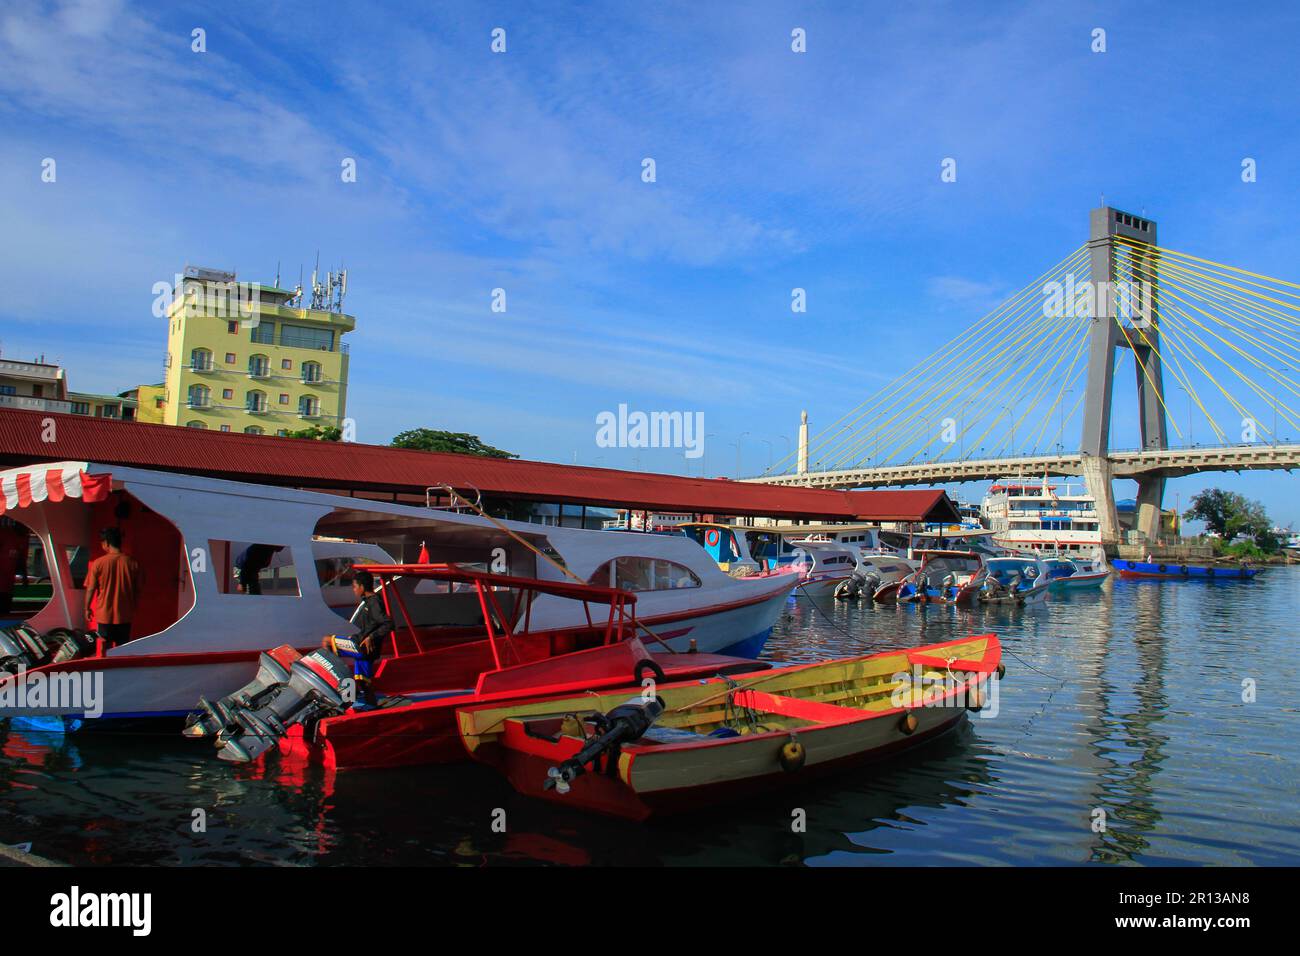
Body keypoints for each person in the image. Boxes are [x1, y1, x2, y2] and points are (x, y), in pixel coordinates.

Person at [323, 570, 393, 706]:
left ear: (362, 587)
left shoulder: (374, 602)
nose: (353, 590)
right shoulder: (368, 602)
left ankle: (331, 687)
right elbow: (371, 626)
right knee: (364, 682)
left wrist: (371, 637)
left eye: (354, 587)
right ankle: (373, 708)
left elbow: (388, 623)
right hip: (365, 649)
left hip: (362, 647)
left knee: (327, 641)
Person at [84, 527, 142, 649]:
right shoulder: (132, 563)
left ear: (106, 543)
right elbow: (138, 589)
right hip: (124, 615)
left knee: (103, 648)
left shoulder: (98, 563)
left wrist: (87, 608)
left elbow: (90, 588)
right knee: (123, 648)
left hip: (104, 616)